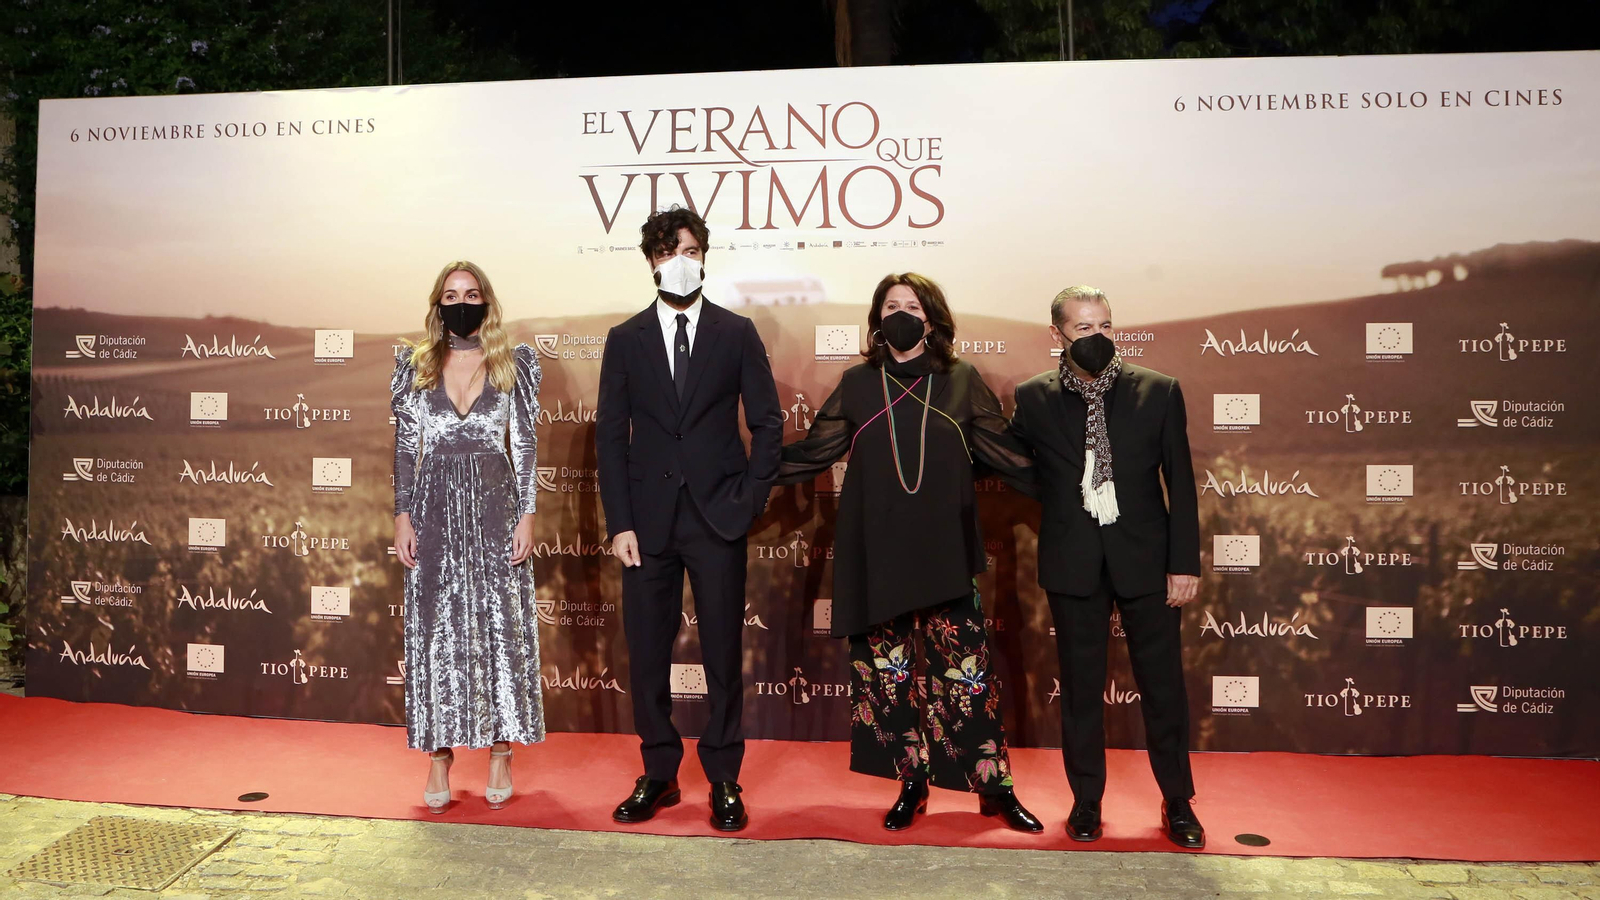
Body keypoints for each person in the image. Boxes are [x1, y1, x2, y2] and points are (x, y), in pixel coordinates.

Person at [775, 273, 1043, 834]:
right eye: (891, 306)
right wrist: (736, 473)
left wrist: (1074, 478)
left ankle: (993, 791)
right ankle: (912, 784)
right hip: (877, 553)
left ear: (932, 318)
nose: (902, 314)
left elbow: (1006, 454)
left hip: (944, 552)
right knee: (886, 675)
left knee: (965, 676)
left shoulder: (961, 379)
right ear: (877, 320)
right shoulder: (856, 382)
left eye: (912, 305)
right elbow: (815, 451)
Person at [596, 206, 782, 832]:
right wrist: (619, 521)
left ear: (705, 255)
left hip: (718, 518)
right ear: (651, 260)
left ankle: (724, 778)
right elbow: (609, 439)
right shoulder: (626, 340)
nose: (681, 259)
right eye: (669, 250)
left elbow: (767, 423)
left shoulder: (736, 333)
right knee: (647, 654)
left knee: (724, 652)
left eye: (691, 248)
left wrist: (751, 496)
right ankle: (659, 772)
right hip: (645, 525)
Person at [1007, 286, 1205, 848]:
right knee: (1080, 690)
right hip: (1073, 564)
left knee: (1163, 688)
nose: (1097, 338)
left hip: (1147, 561)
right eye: (1083, 329)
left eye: (1105, 327)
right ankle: (1087, 801)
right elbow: (1016, 465)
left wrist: (1183, 563)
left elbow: (1181, 484)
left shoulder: (1159, 391)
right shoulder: (1033, 398)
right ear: (1057, 335)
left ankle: (1178, 802)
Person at [391, 261, 544, 814]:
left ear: (486, 302)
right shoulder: (414, 366)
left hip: (495, 505)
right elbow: (407, 448)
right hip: (432, 509)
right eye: (452, 295)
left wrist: (526, 515)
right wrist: (402, 515)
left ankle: (501, 750)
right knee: (434, 628)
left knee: (499, 624)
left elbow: (523, 446)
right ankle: (439, 756)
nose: (462, 302)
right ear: (438, 304)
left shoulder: (514, 363)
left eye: (472, 294)